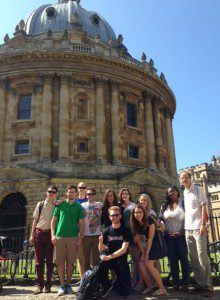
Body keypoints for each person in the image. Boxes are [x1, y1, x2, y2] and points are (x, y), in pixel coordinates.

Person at [180, 171, 213, 297]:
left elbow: (204, 206)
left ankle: (209, 286)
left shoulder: (198, 189)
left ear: (190, 178)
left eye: (185, 178)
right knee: (193, 258)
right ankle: (200, 284)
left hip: (198, 228)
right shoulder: (184, 192)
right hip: (188, 229)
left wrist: (203, 224)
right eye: (182, 178)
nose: (184, 180)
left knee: (202, 257)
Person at [51, 185, 84, 296]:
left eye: (73, 192)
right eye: (69, 192)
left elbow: (81, 224)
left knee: (71, 263)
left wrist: (80, 238)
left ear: (76, 193)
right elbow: (53, 221)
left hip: (73, 237)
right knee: (60, 263)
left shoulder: (79, 207)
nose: (71, 194)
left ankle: (68, 285)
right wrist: (53, 235)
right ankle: (62, 285)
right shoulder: (60, 205)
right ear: (67, 193)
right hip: (60, 237)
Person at [130, 204, 167, 296]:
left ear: (144, 212)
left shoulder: (149, 220)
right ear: (133, 214)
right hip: (146, 245)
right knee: (141, 264)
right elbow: (139, 241)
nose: (138, 214)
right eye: (136, 212)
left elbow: (150, 238)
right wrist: (143, 253)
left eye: (140, 212)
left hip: (156, 244)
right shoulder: (135, 224)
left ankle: (162, 289)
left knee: (149, 264)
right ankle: (149, 287)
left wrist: (146, 254)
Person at [160, 186, 190, 291]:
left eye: (173, 191)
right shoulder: (164, 205)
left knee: (184, 260)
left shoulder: (184, 203)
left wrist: (182, 232)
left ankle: (186, 283)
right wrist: (166, 232)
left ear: (177, 191)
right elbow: (161, 219)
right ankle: (176, 283)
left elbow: (189, 218)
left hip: (181, 236)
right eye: (169, 192)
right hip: (169, 236)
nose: (171, 193)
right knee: (172, 261)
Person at [29, 185, 58, 295]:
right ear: (46, 192)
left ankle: (48, 285)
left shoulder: (57, 206)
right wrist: (32, 235)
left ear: (56, 194)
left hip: (50, 234)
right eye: (49, 191)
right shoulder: (40, 204)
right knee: (38, 261)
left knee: (49, 261)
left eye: (53, 192)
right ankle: (39, 285)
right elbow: (35, 221)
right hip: (39, 233)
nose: (51, 193)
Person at [98, 206, 132, 297]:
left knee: (123, 292)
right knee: (101, 264)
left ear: (120, 216)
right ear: (109, 217)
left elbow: (124, 249)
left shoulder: (125, 230)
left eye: (117, 215)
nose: (114, 217)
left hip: (121, 259)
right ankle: (105, 287)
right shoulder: (107, 231)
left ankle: (119, 286)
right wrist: (100, 242)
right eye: (112, 215)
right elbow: (102, 249)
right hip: (110, 258)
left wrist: (109, 257)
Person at [81, 188, 103, 272]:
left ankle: (95, 279)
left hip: (96, 235)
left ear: (95, 195)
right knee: (86, 259)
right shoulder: (83, 205)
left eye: (92, 194)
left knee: (96, 259)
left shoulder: (99, 205)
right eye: (88, 194)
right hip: (85, 235)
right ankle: (86, 280)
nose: (90, 196)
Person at [75, 182, 88, 281]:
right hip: (75, 231)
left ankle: (88, 278)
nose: (82, 189)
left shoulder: (89, 201)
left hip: (86, 231)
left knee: (88, 257)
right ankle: (82, 279)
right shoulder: (74, 201)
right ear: (77, 189)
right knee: (80, 257)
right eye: (80, 187)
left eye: (84, 187)